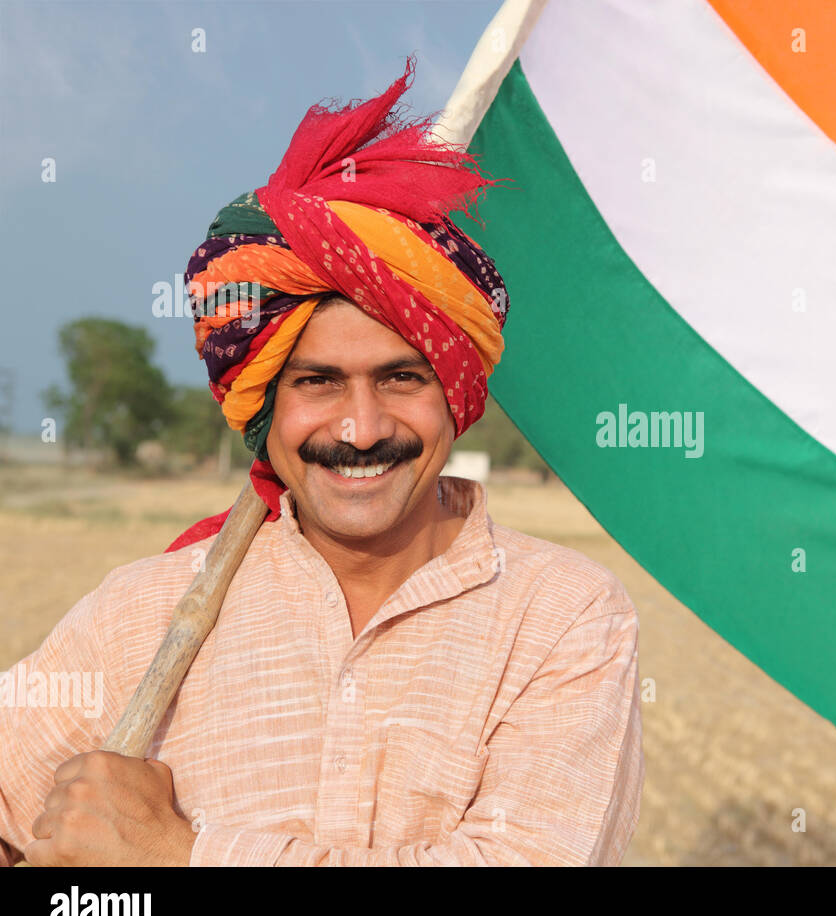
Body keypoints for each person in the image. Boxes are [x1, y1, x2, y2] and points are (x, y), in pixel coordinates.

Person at [0, 58, 643, 866]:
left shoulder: (563, 620)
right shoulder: (140, 615)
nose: (363, 428)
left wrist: (180, 858)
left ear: (456, 394)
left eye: (402, 378)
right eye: (318, 383)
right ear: (263, 405)